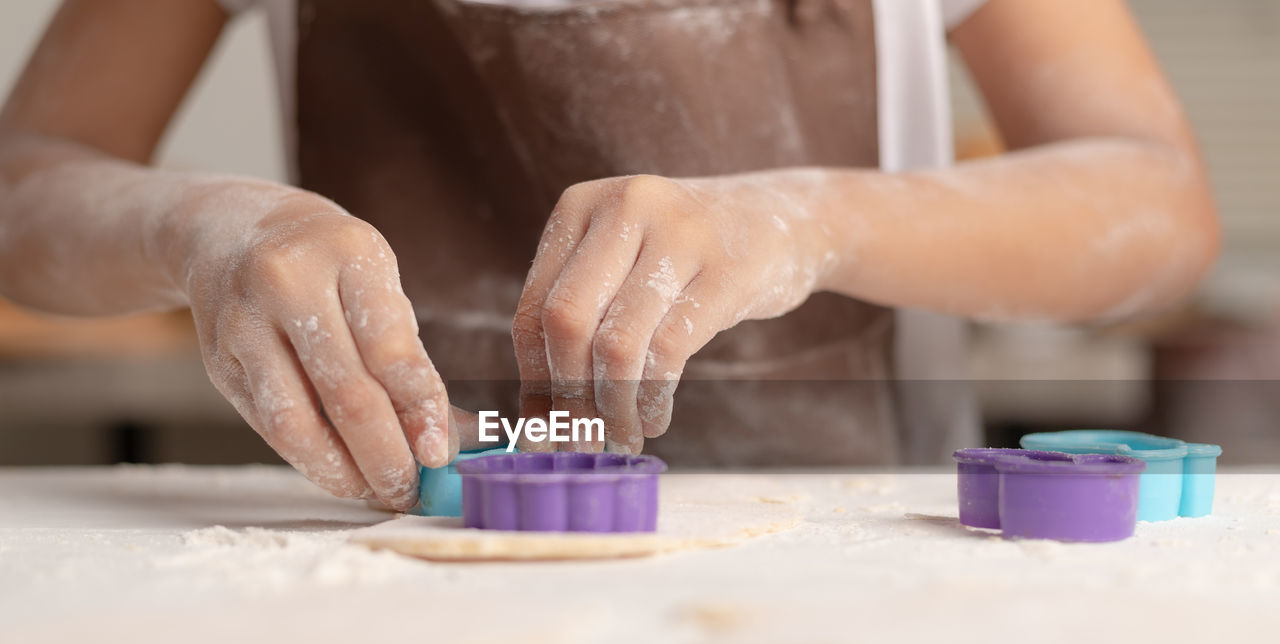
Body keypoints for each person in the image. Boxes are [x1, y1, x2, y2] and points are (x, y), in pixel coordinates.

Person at [0, 0, 1220, 511]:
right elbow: (26, 182)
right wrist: (201, 228)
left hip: (839, 565)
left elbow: (1154, 209)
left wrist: (806, 219)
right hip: (393, 576)